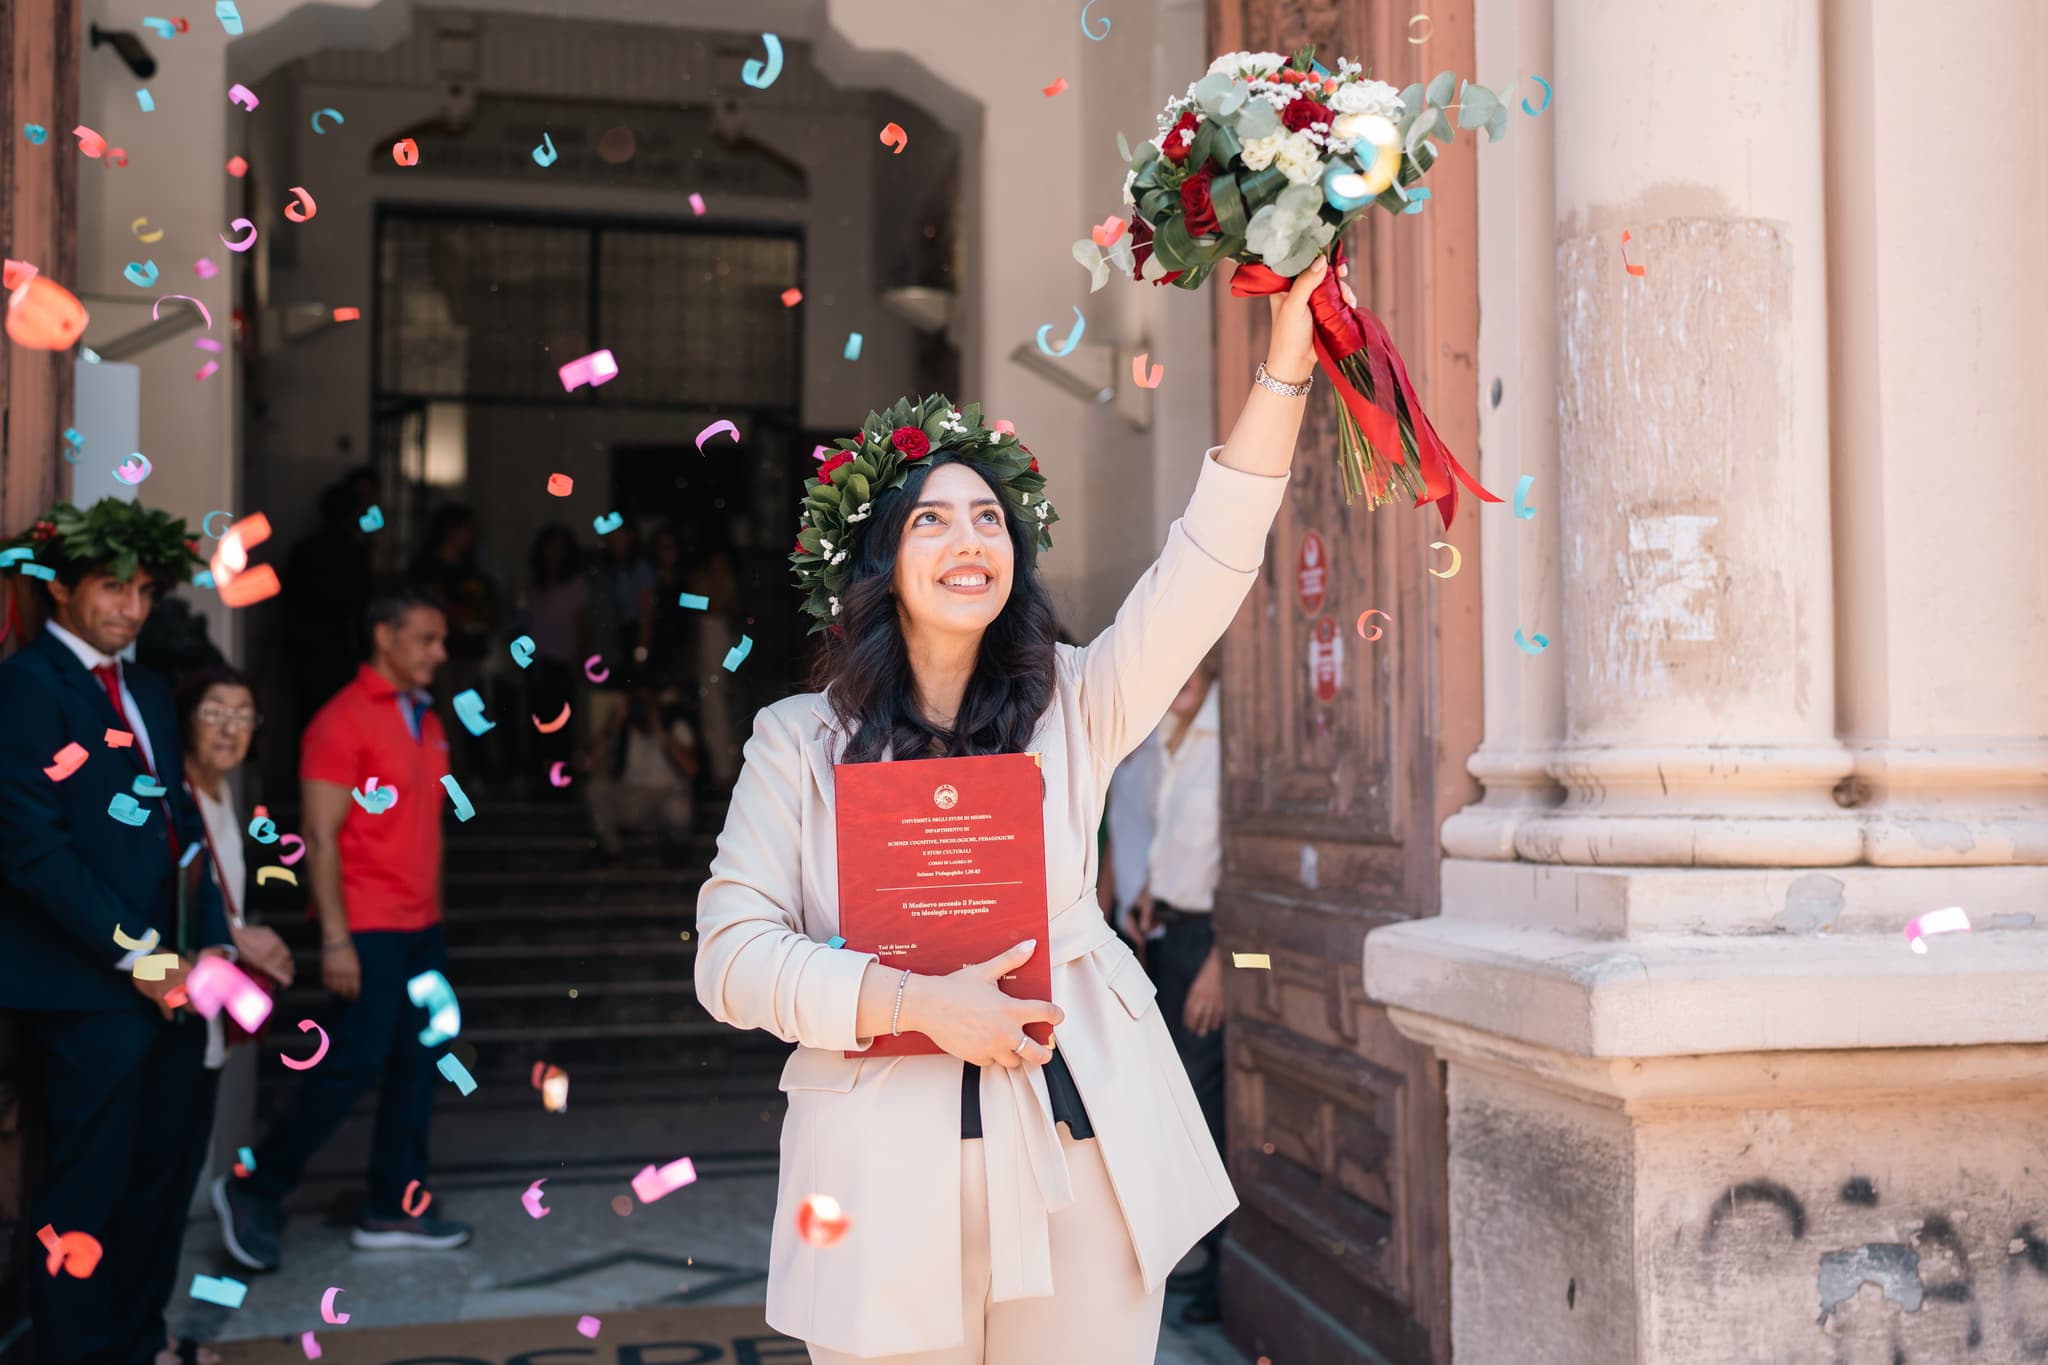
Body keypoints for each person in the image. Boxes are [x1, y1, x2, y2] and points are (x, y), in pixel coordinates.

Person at [694, 256, 1343, 1362]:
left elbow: (1209, 559)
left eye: (988, 519)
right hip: (877, 1175)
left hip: (1076, 1142)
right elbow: (729, 957)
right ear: (879, 563)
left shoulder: (1076, 702)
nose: (968, 541)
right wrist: (912, 998)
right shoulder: (794, 745)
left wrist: (1285, 366)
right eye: (931, 522)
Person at [0, 498, 234, 1365]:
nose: (130, 608)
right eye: (111, 588)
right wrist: (141, 957)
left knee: (161, 1176)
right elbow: (32, 850)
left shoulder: (144, 687)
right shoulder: (27, 686)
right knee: (86, 1188)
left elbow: (179, 822)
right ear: (62, 590)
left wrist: (209, 940)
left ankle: (140, 1343)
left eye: (142, 590)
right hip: (85, 984)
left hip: (175, 975)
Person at [213, 585, 472, 1269]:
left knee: (418, 1062)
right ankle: (255, 1185)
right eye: (426, 638)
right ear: (383, 636)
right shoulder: (340, 721)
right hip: (367, 926)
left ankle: (394, 1203)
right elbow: (320, 838)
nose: (440, 652)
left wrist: (434, 918)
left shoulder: (428, 718)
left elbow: (430, 831)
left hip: (420, 927)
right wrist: (335, 938)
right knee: (350, 1063)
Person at [167, 665, 298, 1365]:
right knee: (156, 1180)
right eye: (214, 711)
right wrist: (236, 935)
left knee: (178, 1164)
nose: (229, 728)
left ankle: (154, 1334)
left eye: (243, 715)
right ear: (185, 719)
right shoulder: (173, 797)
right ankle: (148, 1338)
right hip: (173, 1010)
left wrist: (250, 936)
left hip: (208, 1010)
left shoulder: (222, 796)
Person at [1127, 649, 1227, 1324]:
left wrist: (1228, 959)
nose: (1181, 680)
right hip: (1169, 932)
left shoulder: (1232, 742)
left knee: (1206, 1103)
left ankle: (1225, 1271)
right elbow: (1170, 842)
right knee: (1178, 1098)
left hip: (1222, 946)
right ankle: (1205, 1263)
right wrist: (1144, 895)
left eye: (1193, 667)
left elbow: (1247, 859)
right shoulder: (1168, 735)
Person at [409, 504, 500, 788]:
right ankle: (449, 779)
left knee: (471, 717)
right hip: (438, 657)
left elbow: (489, 608)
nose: (471, 535)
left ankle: (466, 775)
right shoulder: (426, 570)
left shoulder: (473, 570)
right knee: (446, 716)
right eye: (467, 529)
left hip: (471, 652)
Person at [283, 479, 377, 726]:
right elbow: (362, 604)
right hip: (341, 647)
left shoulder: (305, 549)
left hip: (306, 646)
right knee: (344, 716)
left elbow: (289, 600)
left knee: (310, 715)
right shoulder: (353, 552)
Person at [583, 684, 699, 863]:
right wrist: (613, 723)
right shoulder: (621, 728)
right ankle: (612, 853)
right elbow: (589, 764)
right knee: (596, 790)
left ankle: (678, 854)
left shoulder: (674, 725)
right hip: (631, 797)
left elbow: (691, 769)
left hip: (667, 796)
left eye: (646, 701)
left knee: (679, 805)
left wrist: (660, 731)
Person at [520, 523, 587, 798]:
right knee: (538, 723)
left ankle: (561, 784)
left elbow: (582, 626)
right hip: (538, 661)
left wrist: (576, 659)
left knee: (562, 728)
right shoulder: (535, 583)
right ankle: (540, 779)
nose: (554, 553)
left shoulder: (576, 584)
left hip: (563, 662)